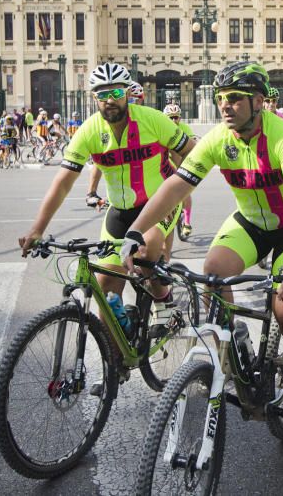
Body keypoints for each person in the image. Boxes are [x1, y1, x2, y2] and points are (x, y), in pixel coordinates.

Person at [119, 61, 283, 427]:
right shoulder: (218, 138)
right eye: (221, 98)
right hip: (252, 223)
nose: (225, 105)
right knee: (213, 272)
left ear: (259, 101)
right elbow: (176, 186)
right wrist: (135, 231)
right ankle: (234, 338)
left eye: (235, 99)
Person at [20, 62, 196, 325]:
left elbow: (192, 154)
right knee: (105, 290)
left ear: (126, 93)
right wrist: (37, 230)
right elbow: (63, 182)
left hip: (156, 205)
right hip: (119, 212)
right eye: (103, 95)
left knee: (147, 252)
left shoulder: (153, 120)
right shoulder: (90, 131)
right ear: (94, 98)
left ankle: (164, 301)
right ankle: (118, 362)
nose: (109, 100)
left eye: (115, 93)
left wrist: (176, 192)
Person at [164, 103, 197, 237]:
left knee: (185, 192)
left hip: (182, 164)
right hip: (167, 164)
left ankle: (187, 222)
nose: (173, 121)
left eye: (176, 117)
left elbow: (193, 145)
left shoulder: (185, 128)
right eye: (170, 118)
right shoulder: (162, 127)